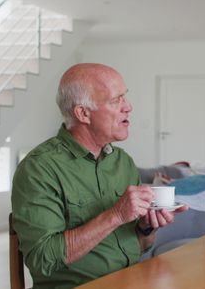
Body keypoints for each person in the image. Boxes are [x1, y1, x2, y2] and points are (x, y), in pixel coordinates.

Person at [11, 63, 187, 288]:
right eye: (116, 100)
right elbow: (42, 259)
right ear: (83, 113)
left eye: (125, 97)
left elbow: (141, 246)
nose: (129, 107)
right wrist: (115, 215)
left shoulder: (123, 162)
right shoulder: (39, 169)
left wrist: (147, 226)